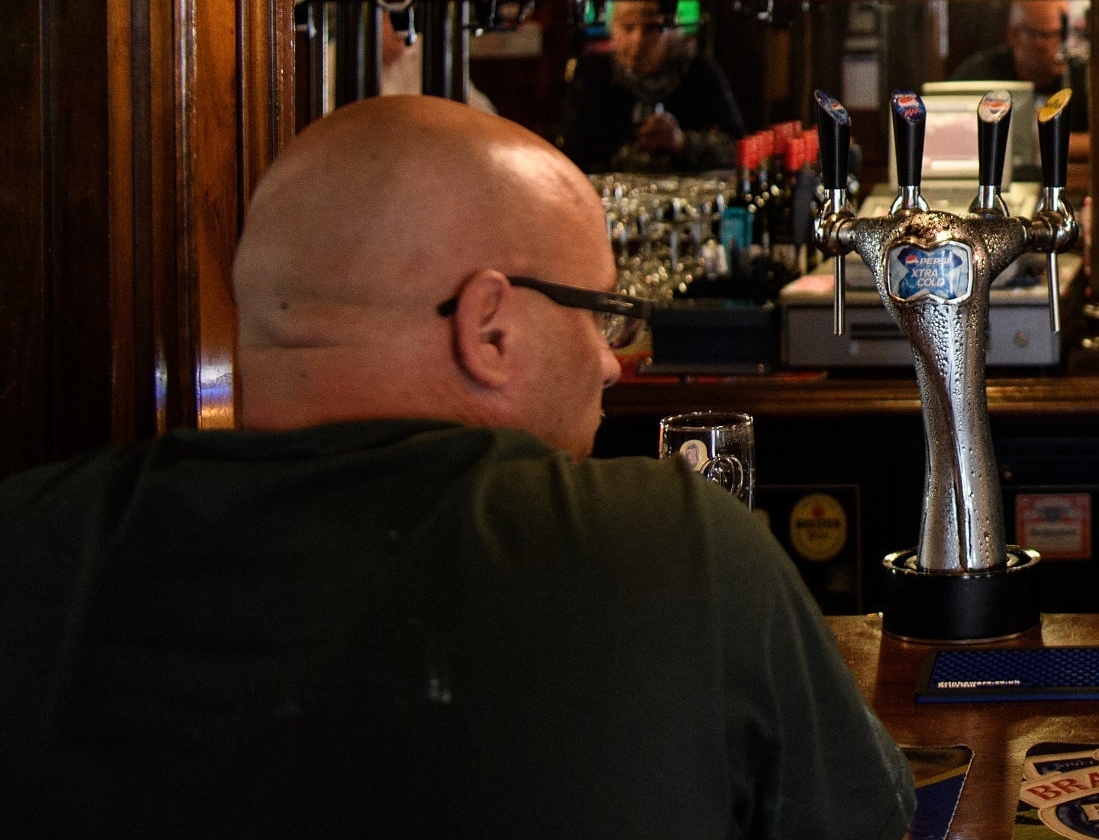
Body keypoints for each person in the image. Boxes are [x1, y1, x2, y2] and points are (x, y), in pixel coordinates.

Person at [0, 98, 915, 838]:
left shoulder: (31, 537)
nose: (610, 359)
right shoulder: (673, 545)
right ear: (489, 326)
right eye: (599, 313)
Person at [561, 0, 745, 173]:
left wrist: (681, 142)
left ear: (672, 31)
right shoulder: (593, 72)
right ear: (613, 29)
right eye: (628, 27)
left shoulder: (700, 71)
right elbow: (573, 151)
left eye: (651, 28)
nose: (638, 40)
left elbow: (737, 149)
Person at [949, 0, 1089, 139]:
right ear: (1014, 35)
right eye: (1046, 35)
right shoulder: (979, 75)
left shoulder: (1084, 77)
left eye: (1062, 35)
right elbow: (952, 133)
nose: (1059, 45)